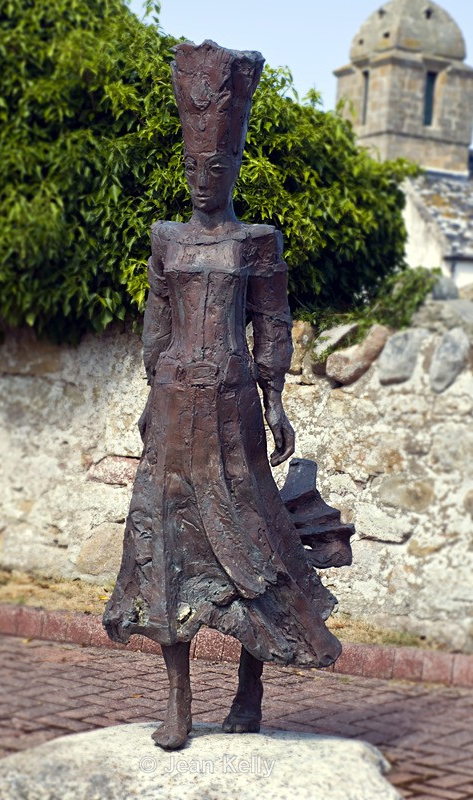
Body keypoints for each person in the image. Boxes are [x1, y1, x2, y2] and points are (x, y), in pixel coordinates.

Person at [103, 40, 341, 750]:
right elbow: (155, 324)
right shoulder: (166, 239)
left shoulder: (257, 242)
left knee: (253, 545)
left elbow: (271, 325)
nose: (202, 179)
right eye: (191, 168)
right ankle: (175, 698)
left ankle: (248, 688)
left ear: (233, 167)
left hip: (233, 412)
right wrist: (151, 391)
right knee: (162, 546)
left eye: (215, 167)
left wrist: (274, 399)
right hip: (174, 411)